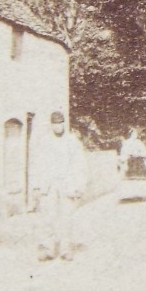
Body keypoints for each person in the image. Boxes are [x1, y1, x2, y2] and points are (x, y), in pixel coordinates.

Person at [34, 111, 86, 261]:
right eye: (55, 123)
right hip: (48, 185)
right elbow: (38, 164)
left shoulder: (72, 141)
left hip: (66, 183)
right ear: (51, 125)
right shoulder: (44, 141)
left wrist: (79, 186)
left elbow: (80, 164)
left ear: (64, 123)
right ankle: (49, 249)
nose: (58, 126)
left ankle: (65, 249)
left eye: (60, 123)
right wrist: (36, 186)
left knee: (66, 217)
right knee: (48, 218)